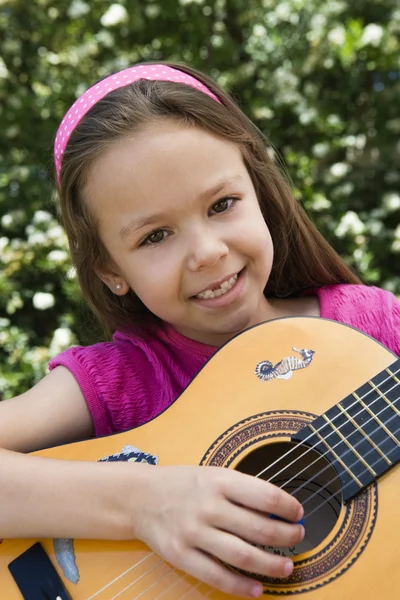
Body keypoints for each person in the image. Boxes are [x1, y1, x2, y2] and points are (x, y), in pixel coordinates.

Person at [1, 62, 399, 598]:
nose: (208, 252)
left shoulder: (370, 326)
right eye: (156, 235)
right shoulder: (122, 380)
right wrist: (142, 502)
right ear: (111, 272)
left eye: (222, 205)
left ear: (258, 191)